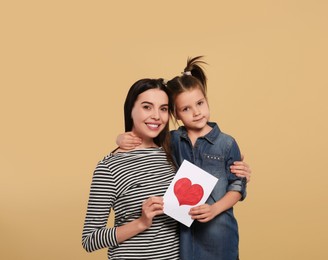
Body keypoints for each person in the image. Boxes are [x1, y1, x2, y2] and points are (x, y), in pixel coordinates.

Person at [117, 56, 248, 260]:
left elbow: (237, 188)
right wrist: (120, 137)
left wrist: (214, 209)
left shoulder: (227, 143)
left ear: (206, 100)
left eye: (200, 103)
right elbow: (145, 143)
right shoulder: (172, 141)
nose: (196, 113)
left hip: (220, 236)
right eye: (186, 109)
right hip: (184, 239)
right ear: (176, 114)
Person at [82, 78, 180, 259]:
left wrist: (236, 170)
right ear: (131, 110)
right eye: (147, 107)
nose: (157, 116)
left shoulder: (173, 154)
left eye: (163, 109)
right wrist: (141, 223)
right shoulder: (109, 167)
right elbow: (90, 239)